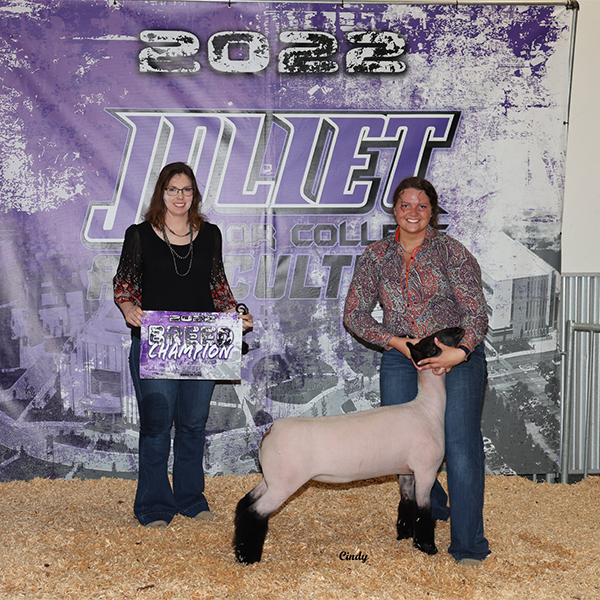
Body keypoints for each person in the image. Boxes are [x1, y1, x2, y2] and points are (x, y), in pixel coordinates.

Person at [343, 176, 490, 565]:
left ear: (432, 211)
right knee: (403, 447)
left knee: (459, 445)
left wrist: (460, 352)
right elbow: (354, 314)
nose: (413, 212)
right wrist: (395, 342)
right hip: (402, 355)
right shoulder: (376, 256)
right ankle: (432, 506)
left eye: (422, 206)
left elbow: (476, 311)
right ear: (395, 209)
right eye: (405, 205)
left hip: (455, 355)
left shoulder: (452, 252)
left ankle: (468, 545)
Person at [113, 161, 253, 528]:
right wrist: (128, 308)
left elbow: (218, 285)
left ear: (195, 194)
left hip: (201, 343)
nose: (180, 196)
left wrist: (236, 316)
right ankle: (153, 506)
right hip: (156, 342)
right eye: (173, 189)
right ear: (161, 193)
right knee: (157, 426)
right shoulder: (139, 234)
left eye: (186, 190)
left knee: (193, 424)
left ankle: (191, 498)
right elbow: (124, 284)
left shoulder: (210, 234)